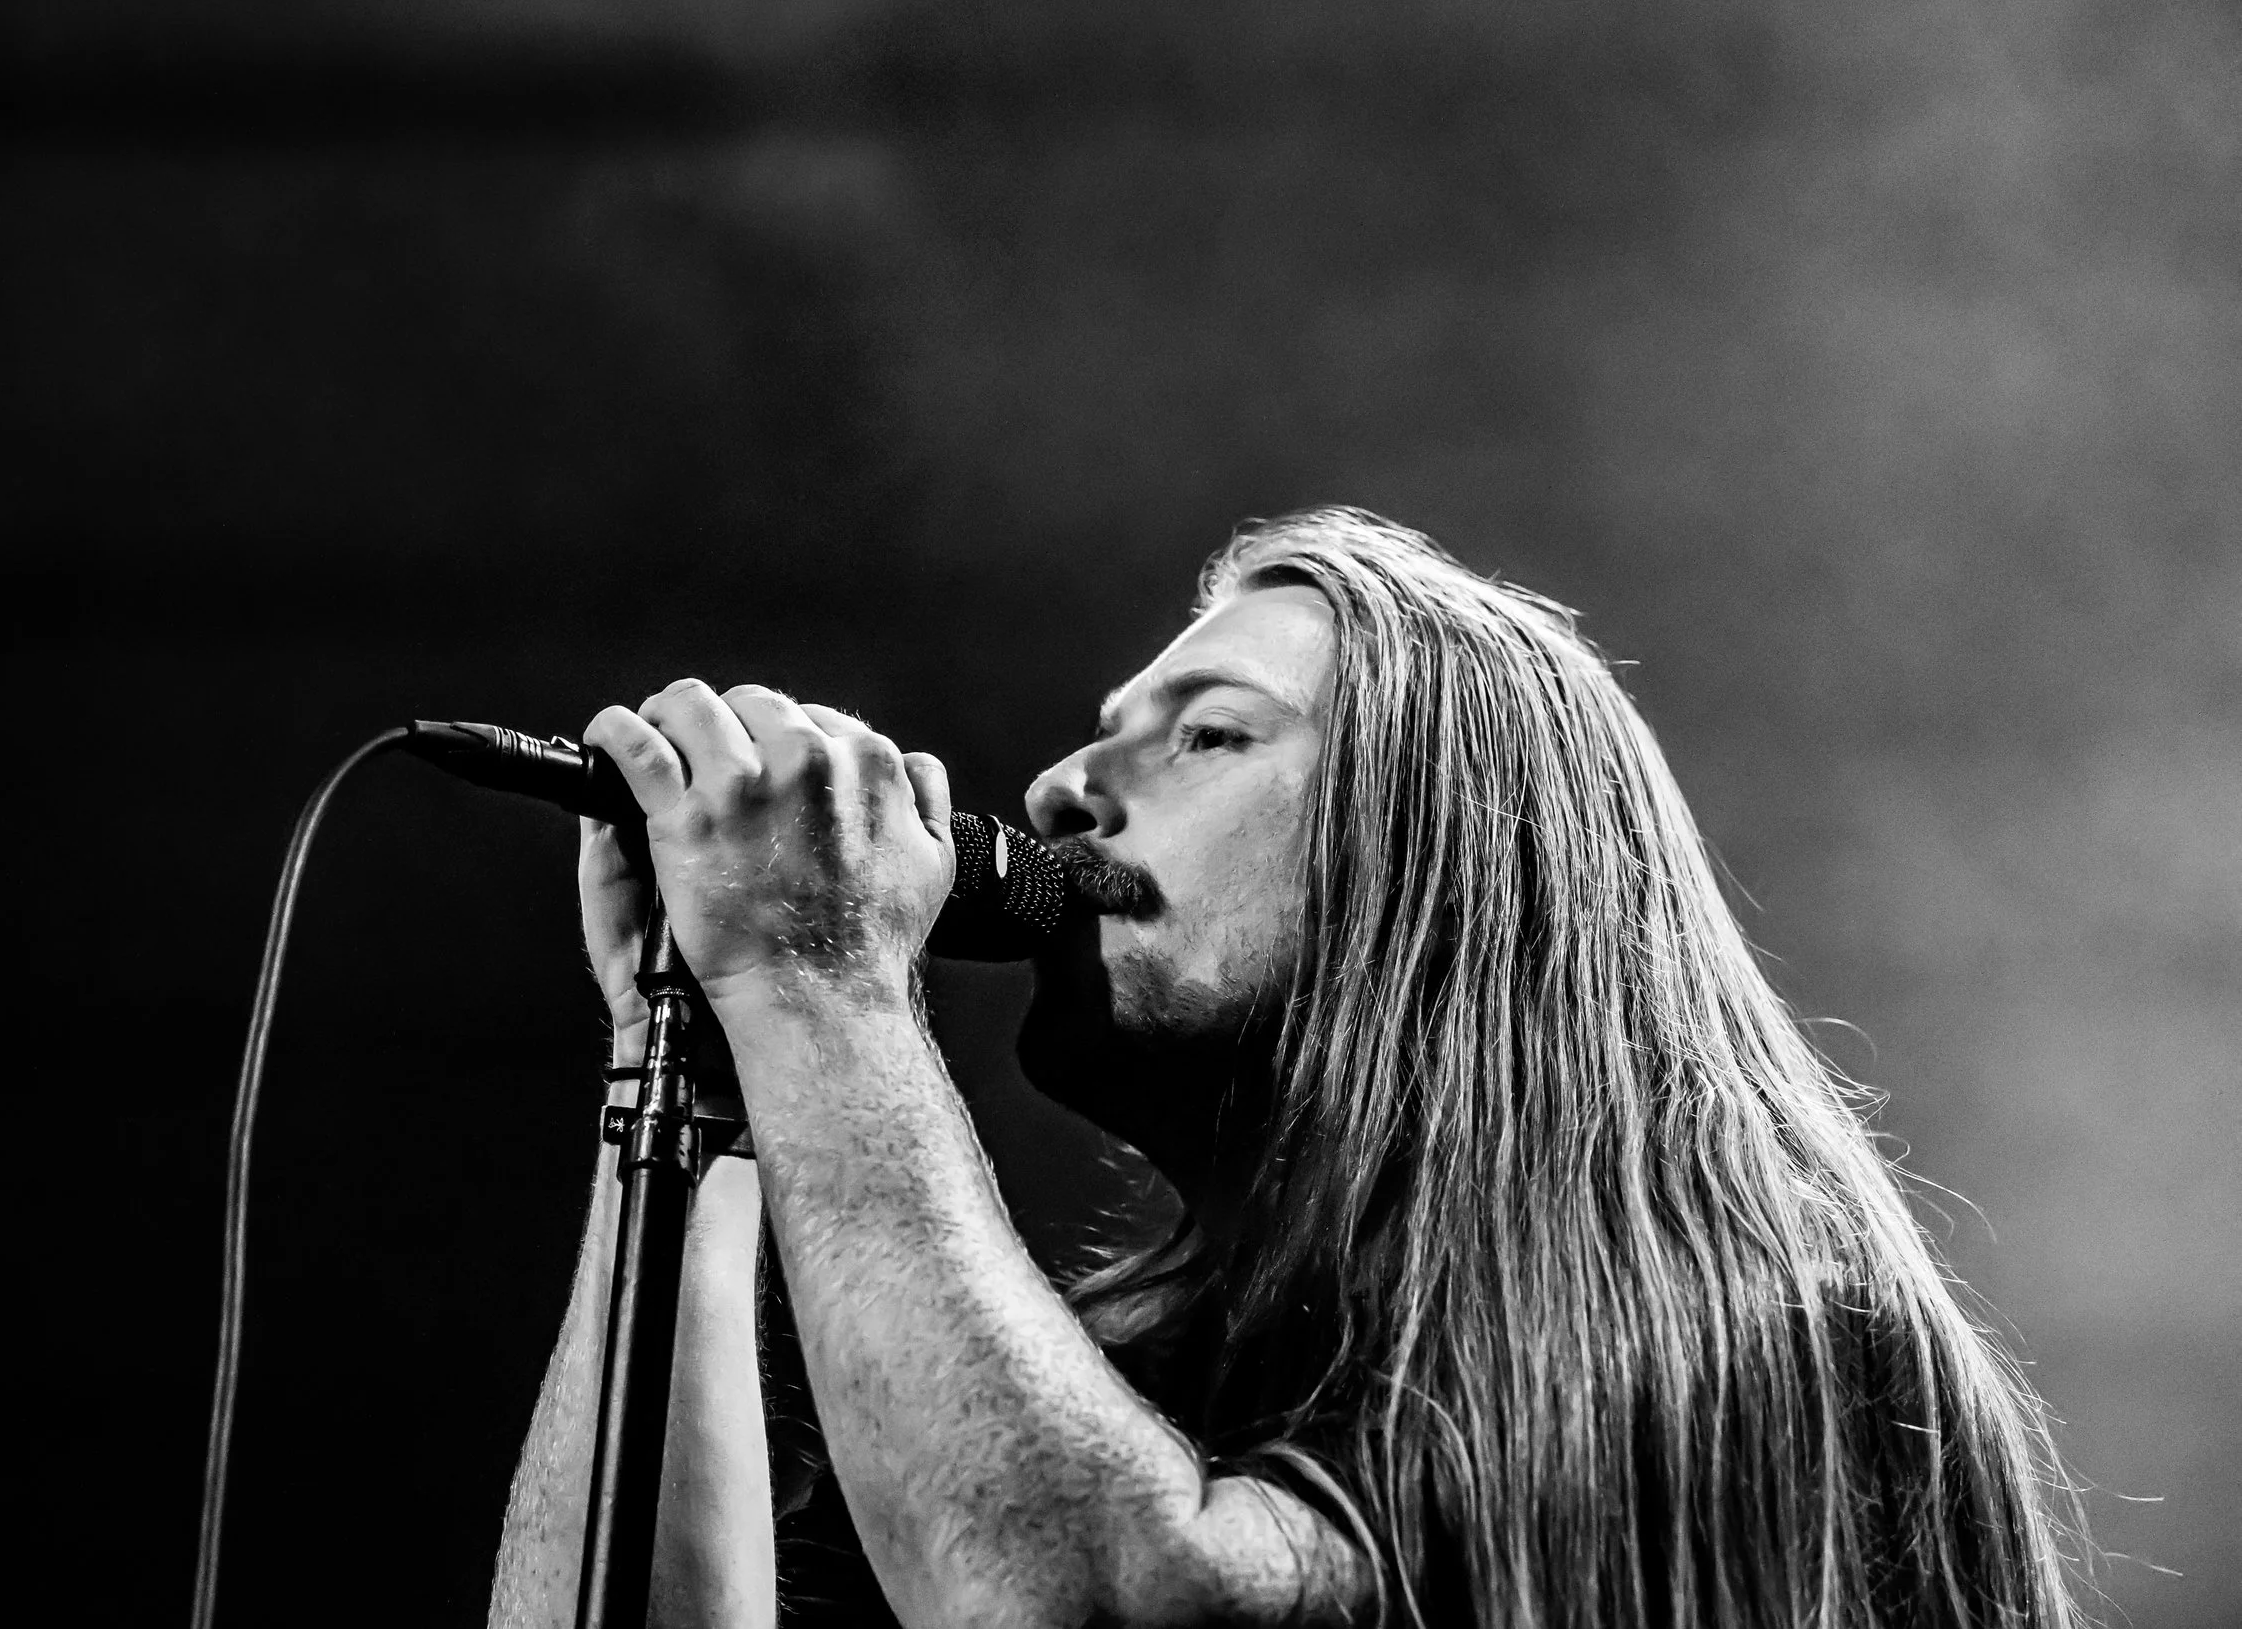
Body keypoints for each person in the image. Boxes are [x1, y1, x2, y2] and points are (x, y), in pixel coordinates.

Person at [487, 508, 2088, 1628]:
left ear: (1442, 863)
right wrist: (695, 1083)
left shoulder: (1754, 1328)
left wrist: (825, 987)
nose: (1058, 786)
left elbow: (1086, 1607)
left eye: (1208, 733)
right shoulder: (1089, 1384)